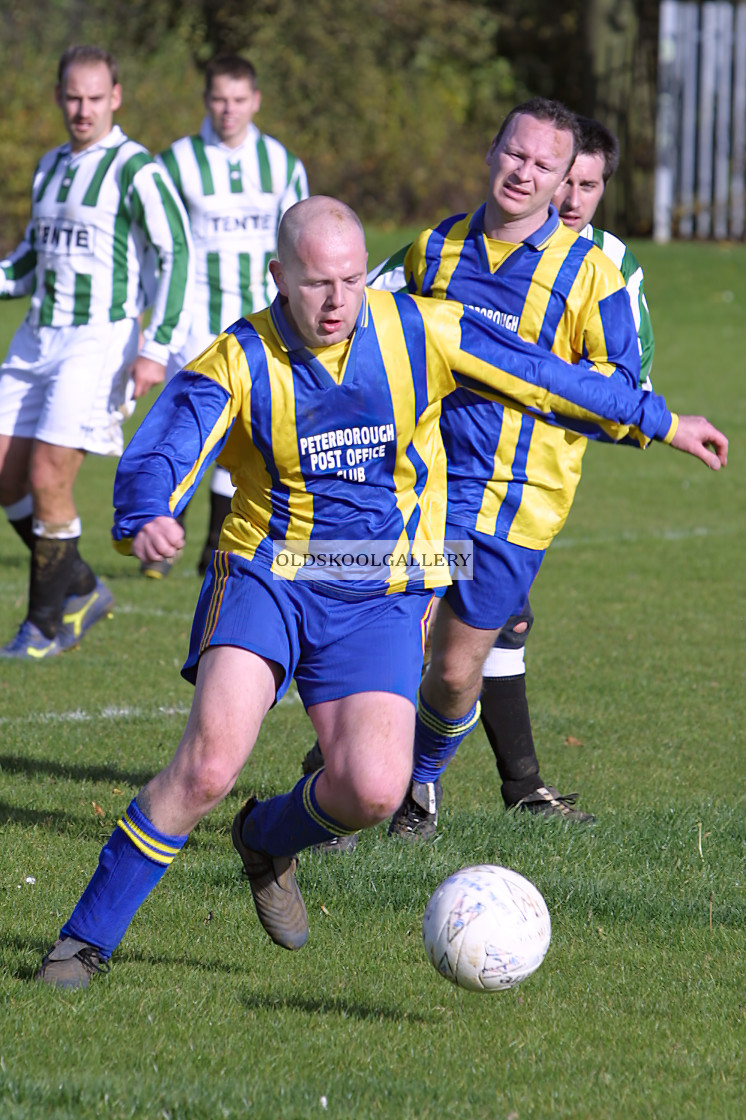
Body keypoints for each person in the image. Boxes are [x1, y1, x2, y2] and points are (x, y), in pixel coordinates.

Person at [33, 195, 724, 988]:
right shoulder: (240, 356)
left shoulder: (418, 327)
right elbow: (169, 441)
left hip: (379, 587)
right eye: (317, 282)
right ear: (278, 277)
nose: (336, 301)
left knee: (373, 789)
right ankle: (82, 943)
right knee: (208, 767)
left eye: (352, 279)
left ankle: (266, 837)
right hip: (270, 571)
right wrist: (148, 511)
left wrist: (662, 422)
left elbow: (543, 377)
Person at [0, 45, 192, 657]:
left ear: (115, 97)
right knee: (5, 473)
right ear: (60, 97)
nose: (82, 109)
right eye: (72, 98)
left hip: (98, 339)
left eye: (94, 98)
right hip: (37, 335)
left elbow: (175, 254)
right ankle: (80, 587)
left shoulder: (136, 169)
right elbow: (31, 261)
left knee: (49, 475)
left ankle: (43, 626)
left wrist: (154, 347)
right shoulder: (51, 165)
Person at [141, 53, 309, 579]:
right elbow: (154, 244)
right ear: (206, 99)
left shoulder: (282, 164)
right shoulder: (176, 162)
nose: (228, 109)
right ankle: (163, 537)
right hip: (193, 319)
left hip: (257, 320)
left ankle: (215, 543)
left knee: (248, 430)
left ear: (255, 101)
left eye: (238, 100)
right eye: (219, 99)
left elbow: (301, 235)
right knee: (189, 427)